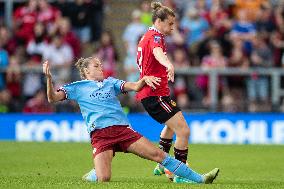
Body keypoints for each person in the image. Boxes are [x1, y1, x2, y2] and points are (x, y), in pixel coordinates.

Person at [43, 57, 219, 183]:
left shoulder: (110, 82)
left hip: (123, 131)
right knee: (104, 178)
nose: (101, 68)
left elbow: (134, 86)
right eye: (97, 66)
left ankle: (200, 179)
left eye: (101, 65)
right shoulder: (77, 87)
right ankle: (95, 173)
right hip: (100, 135)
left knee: (159, 155)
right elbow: (52, 98)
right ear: (86, 71)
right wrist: (49, 80)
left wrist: (144, 79)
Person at [136, 1, 194, 179]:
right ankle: (180, 174)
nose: (172, 27)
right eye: (170, 23)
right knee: (183, 130)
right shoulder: (155, 37)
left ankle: (162, 165)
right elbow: (157, 53)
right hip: (154, 95)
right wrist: (168, 63)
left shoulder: (148, 35)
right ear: (158, 21)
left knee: (171, 127)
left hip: (156, 93)